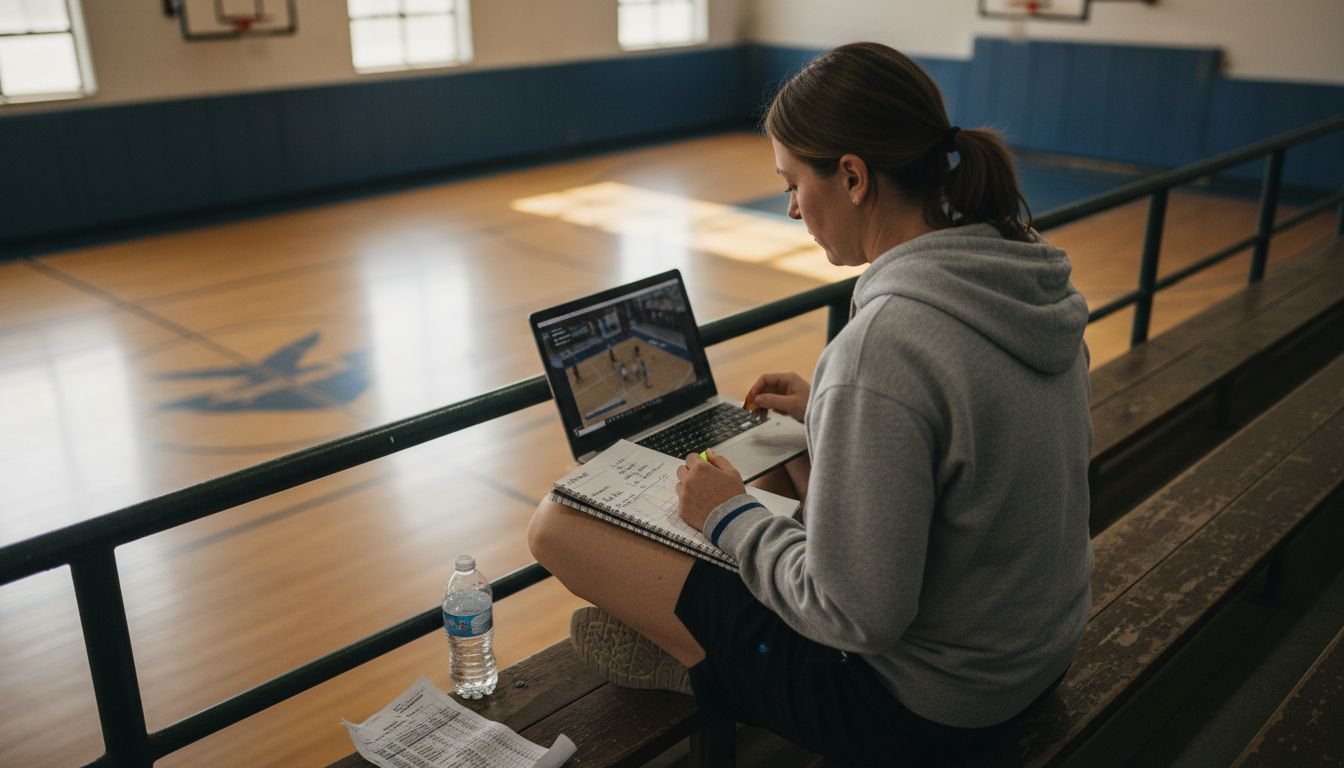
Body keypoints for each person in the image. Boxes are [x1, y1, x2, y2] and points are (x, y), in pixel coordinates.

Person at [529, 41, 1092, 764]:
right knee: (787, 465)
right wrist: (831, 409)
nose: (792, 208)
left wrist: (725, 513)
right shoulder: (1020, 278)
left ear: (853, 176)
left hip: (922, 711)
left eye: (793, 183)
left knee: (557, 526)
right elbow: (967, 446)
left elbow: (855, 616)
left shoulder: (885, 347)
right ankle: (711, 650)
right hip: (1032, 661)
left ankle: (704, 666)